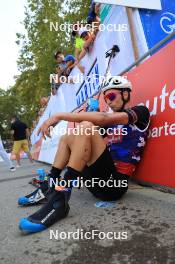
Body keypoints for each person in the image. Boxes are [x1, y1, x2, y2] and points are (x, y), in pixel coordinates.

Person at [18, 76, 150, 233]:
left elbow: (103, 118)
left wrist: (59, 116)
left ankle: (60, 199)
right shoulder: (109, 123)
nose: (108, 101)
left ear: (126, 94)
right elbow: (88, 138)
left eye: (111, 96)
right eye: (105, 98)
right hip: (97, 183)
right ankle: (51, 185)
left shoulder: (141, 112)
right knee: (70, 135)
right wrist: (90, 115)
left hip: (115, 186)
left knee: (87, 126)